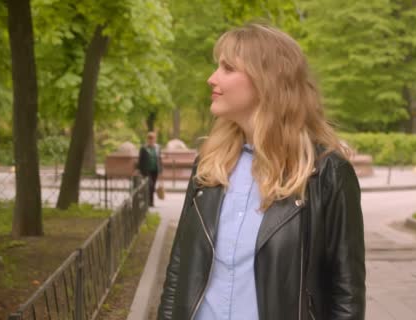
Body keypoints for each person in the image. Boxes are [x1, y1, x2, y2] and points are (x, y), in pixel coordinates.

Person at [158, 23, 365, 320]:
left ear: (266, 80)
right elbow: (179, 268)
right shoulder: (209, 165)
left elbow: (346, 293)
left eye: (228, 68)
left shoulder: (327, 173)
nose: (212, 78)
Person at [137, 131, 162, 207]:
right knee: (150, 185)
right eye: (150, 138)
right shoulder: (143, 148)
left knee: (153, 186)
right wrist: (139, 170)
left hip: (155, 170)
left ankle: (150, 202)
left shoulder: (157, 148)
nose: (151, 140)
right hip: (146, 170)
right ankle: (149, 202)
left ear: (155, 139)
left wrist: (161, 170)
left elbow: (159, 159)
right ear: (147, 139)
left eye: (153, 138)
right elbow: (140, 160)